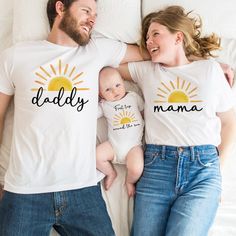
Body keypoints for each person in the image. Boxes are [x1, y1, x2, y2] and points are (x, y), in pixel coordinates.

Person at [0, 0, 144, 235]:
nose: (92, 19)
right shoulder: (15, 57)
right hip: (24, 191)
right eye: (86, 10)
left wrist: (201, 64)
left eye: (95, 14)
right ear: (60, 8)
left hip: (82, 190)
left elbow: (158, 51)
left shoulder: (97, 50)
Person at [118, 5, 236, 236]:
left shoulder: (211, 70)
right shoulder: (147, 71)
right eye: (146, 37)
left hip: (202, 169)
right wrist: (152, 50)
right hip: (156, 169)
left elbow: (230, 121)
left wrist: (218, 171)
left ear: (178, 36)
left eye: (156, 34)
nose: (149, 40)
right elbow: (109, 61)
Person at [96, 67, 144, 197]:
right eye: (107, 90)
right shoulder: (104, 105)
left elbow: (144, 113)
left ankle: (129, 182)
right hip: (113, 146)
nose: (115, 91)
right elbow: (91, 115)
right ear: (100, 94)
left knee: (136, 168)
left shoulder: (133, 97)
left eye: (117, 85)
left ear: (123, 82)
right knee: (96, 156)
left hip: (133, 147)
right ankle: (111, 173)